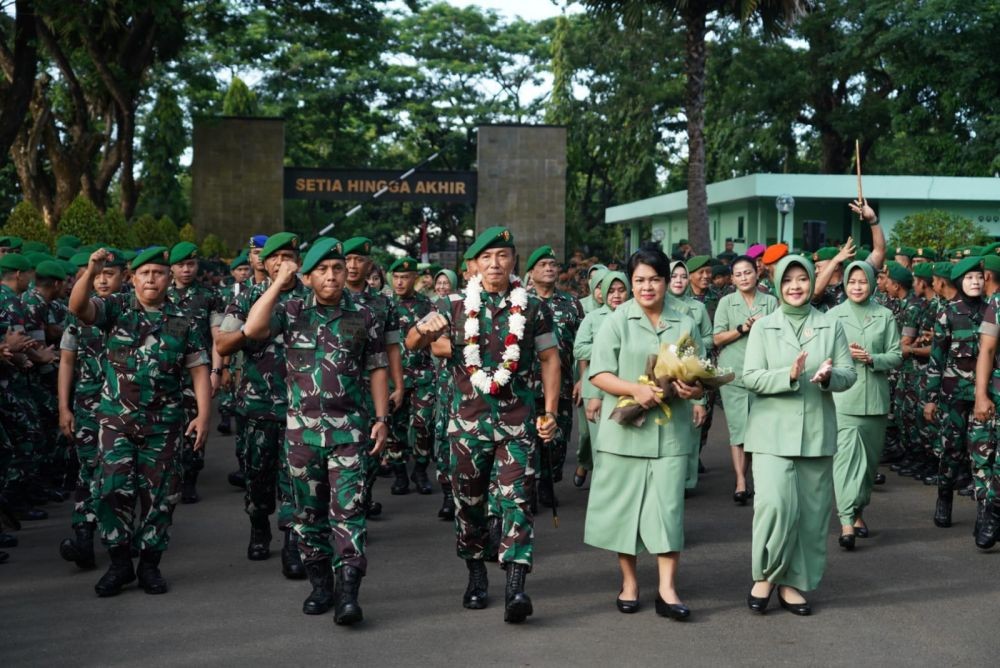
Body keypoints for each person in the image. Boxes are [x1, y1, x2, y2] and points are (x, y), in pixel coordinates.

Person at [406, 226, 559, 625]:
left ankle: (516, 585)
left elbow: (550, 360)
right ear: (472, 264)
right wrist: (424, 330)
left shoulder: (532, 308)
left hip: (517, 424)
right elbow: (411, 343)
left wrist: (551, 411)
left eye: (503, 256)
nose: (495, 264)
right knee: (469, 506)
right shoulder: (453, 304)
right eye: (486, 257)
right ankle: (476, 571)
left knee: (517, 503)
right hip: (467, 426)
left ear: (513, 262)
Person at [244, 237, 389, 625]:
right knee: (309, 516)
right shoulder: (290, 310)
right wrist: (278, 282)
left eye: (337, 268)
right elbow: (254, 328)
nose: (331, 276)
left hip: (349, 432)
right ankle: (321, 584)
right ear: (307, 277)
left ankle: (348, 593)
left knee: (349, 512)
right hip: (302, 436)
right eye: (322, 270)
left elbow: (377, 367)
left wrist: (381, 418)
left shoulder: (364, 314)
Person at [69, 246, 212, 597]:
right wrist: (90, 270)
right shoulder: (115, 309)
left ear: (168, 278)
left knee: (160, 497)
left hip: (164, 424)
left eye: (159, 273)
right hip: (116, 422)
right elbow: (77, 307)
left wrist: (204, 415)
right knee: (110, 491)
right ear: (133, 278)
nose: (152, 279)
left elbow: (198, 367)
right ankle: (120, 563)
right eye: (145, 273)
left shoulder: (183, 319)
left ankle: (149, 565)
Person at [584, 247, 705, 621]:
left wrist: (693, 389)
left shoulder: (685, 322)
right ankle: (630, 582)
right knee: (626, 513)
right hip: (624, 434)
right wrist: (633, 390)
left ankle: (667, 589)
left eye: (654, 278)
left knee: (668, 511)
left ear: (667, 281)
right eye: (639, 280)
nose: (647, 287)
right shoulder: (616, 320)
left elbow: (699, 375)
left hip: (670, 433)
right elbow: (598, 373)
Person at [743, 255, 856, 616]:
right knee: (773, 505)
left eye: (802, 279)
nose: (795, 286)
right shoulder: (763, 328)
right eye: (788, 280)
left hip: (815, 433)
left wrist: (828, 378)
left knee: (811, 514)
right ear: (777, 285)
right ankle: (766, 574)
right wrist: (788, 376)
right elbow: (751, 377)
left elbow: (848, 374)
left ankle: (794, 583)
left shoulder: (830, 325)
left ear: (812, 282)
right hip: (771, 432)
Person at [216, 233, 308, 576]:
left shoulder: (311, 298)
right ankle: (259, 525)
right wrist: (248, 334)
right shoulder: (247, 299)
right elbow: (223, 344)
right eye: (275, 257)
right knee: (257, 477)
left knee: (297, 479)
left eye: (289, 256)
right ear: (264, 263)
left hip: (302, 411)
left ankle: (293, 542)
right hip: (257, 407)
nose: (282, 263)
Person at [57, 250, 126, 569]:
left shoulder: (132, 310)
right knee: (88, 472)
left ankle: (124, 538)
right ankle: (83, 537)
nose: (102, 279)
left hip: (126, 408)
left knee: (122, 475)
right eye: (97, 273)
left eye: (109, 273)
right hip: (87, 406)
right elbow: (67, 360)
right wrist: (64, 407)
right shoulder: (78, 313)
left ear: (124, 276)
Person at [826, 261, 902, 550]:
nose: (857, 287)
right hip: (844, 399)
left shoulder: (884, 316)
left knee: (868, 468)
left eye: (863, 281)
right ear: (844, 283)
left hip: (876, 401)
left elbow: (896, 355)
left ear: (872, 283)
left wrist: (873, 358)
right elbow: (824, 354)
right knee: (846, 463)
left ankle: (858, 511)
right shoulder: (833, 316)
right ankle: (846, 521)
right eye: (852, 281)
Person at [924, 257, 986, 530]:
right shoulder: (947, 313)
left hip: (985, 396)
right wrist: (931, 398)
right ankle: (944, 497)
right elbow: (937, 357)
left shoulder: (992, 311)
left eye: (979, 277)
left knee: (982, 454)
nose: (975, 282)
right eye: (970, 278)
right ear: (960, 282)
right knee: (951, 450)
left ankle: (985, 514)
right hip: (954, 395)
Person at [712, 255, 778, 505]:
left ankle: (755, 476)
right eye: (738, 274)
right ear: (732, 278)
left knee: (757, 429)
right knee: (738, 428)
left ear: (757, 273)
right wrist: (742, 329)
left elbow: (779, 334)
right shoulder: (726, 303)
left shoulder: (770, 302)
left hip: (762, 373)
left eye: (747, 272)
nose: (743, 277)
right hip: (733, 372)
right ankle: (740, 480)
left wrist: (763, 328)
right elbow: (716, 339)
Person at [526, 245, 584, 508]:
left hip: (560, 384)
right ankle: (528, 486)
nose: (549, 269)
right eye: (543, 265)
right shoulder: (520, 302)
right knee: (527, 439)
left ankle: (548, 482)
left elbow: (583, 345)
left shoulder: (571, 303)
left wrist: (583, 378)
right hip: (526, 384)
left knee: (557, 438)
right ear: (531, 272)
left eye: (553, 264)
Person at [167, 241, 223, 504]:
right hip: (166, 370)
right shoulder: (161, 294)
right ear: (172, 268)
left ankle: (190, 477)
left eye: (191, 264)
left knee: (196, 421)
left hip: (196, 372)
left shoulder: (209, 296)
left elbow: (217, 337)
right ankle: (169, 477)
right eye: (181, 265)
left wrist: (216, 370)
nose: (186, 270)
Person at [385, 256, 437, 496]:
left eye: (405, 277)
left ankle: (420, 470)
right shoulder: (385, 305)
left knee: (423, 424)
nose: (399, 282)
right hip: (394, 377)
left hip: (422, 376)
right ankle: (399, 473)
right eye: (396, 277)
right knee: (396, 425)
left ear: (414, 278)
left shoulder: (426, 305)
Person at [573, 271, 630, 487]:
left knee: (622, 443)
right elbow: (579, 349)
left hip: (625, 387)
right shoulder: (593, 318)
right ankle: (601, 488)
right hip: (595, 388)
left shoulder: (633, 315)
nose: (616, 295)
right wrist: (607, 347)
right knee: (598, 443)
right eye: (611, 290)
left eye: (621, 290)